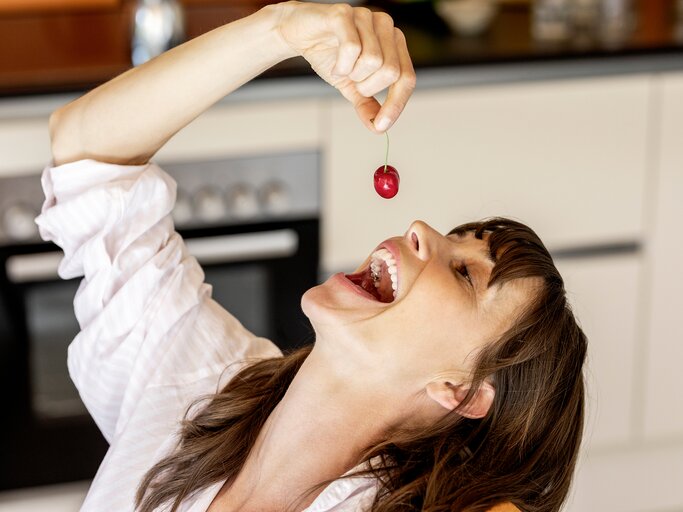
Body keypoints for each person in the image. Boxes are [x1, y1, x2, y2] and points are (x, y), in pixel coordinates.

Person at [37, 2, 587, 511]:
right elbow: (87, 157)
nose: (420, 228)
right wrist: (280, 29)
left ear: (460, 390)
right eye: (453, 237)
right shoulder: (201, 388)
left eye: (466, 274)